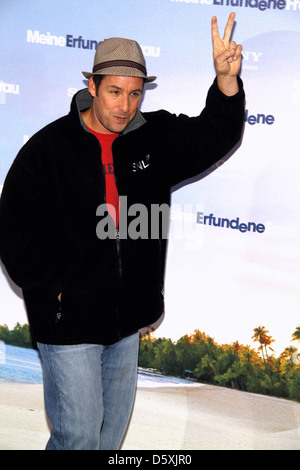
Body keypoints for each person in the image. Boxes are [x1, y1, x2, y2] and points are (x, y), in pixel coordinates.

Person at [0, 13, 245, 450]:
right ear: (91, 87)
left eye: (134, 94)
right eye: (114, 92)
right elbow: (12, 228)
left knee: (107, 441)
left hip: (126, 321)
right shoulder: (48, 148)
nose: (124, 106)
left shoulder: (156, 138)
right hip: (68, 321)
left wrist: (226, 82)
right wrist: (54, 288)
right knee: (77, 437)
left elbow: (214, 136)